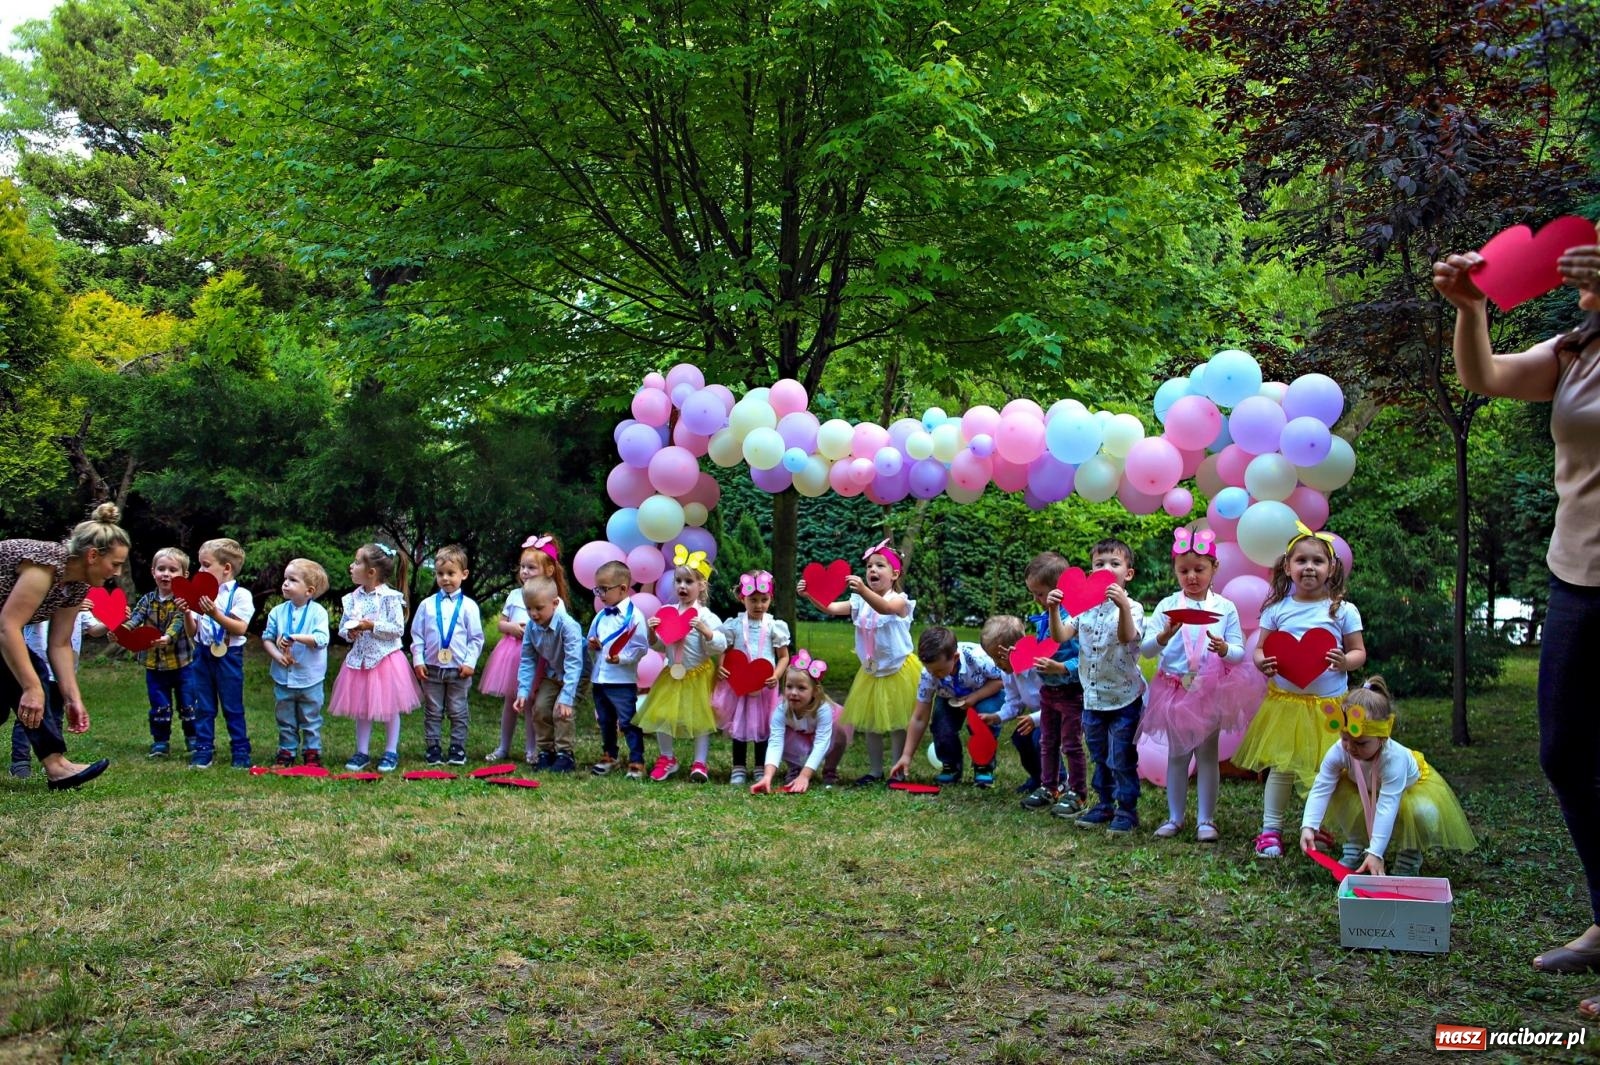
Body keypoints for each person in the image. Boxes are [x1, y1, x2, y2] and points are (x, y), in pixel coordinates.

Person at [1436, 240, 1600, 1013]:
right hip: (1578, 578)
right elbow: (1488, 376)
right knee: (1565, 754)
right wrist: (1470, 310)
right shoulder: (1576, 351)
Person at [1234, 524, 1366, 858]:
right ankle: (1270, 830)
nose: (1309, 567)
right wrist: (1262, 663)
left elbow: (1358, 652)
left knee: (1326, 770)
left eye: (1317, 561)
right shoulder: (1277, 609)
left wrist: (1345, 661)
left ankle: (1316, 827)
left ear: (1331, 568)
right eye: (1301, 560)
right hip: (1286, 706)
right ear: (1288, 566)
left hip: (1328, 707)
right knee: (1281, 769)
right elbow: (1260, 649)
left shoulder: (1342, 610)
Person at [1139, 526, 1264, 843]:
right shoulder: (1167, 606)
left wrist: (1224, 649)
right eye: (1184, 571)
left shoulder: (1224, 607)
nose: (1192, 576)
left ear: (1214, 568)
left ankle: (1206, 820)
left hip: (1209, 691)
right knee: (1177, 754)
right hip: (1173, 690)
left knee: (1208, 755)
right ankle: (1175, 817)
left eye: (1199, 569)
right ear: (1175, 570)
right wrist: (1163, 636)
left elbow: (1238, 652)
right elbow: (1147, 650)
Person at [0, 503, 125, 789]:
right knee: (31, 677)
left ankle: (57, 766)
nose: (117, 573)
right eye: (115, 564)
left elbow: (59, 643)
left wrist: (72, 698)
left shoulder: (77, 584)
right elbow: (8, 627)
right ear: (92, 556)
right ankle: (56, 765)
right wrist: (31, 687)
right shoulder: (45, 566)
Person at [1299, 676, 1476, 876]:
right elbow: (1322, 786)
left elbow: (1387, 806)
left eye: (1361, 743)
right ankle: (1356, 845)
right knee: (1344, 798)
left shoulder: (1394, 759)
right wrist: (1309, 825)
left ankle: (1408, 857)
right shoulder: (1341, 750)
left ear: (1382, 738)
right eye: (1345, 738)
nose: (1350, 747)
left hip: (1406, 793)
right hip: (1363, 789)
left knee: (1423, 812)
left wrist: (1376, 853)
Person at [799, 537, 919, 785]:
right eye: (869, 566)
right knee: (872, 725)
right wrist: (810, 594)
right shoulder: (859, 602)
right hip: (871, 672)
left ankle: (898, 771)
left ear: (895, 574)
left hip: (898, 670)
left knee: (899, 724)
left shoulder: (900, 600)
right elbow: (830, 608)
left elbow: (885, 609)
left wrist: (864, 590)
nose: (872, 569)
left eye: (880, 565)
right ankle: (875, 771)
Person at [1048, 539, 1146, 833]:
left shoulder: (1133, 607)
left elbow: (1127, 636)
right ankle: (1104, 804)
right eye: (1099, 564)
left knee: (1121, 757)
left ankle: (1126, 810)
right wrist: (1054, 609)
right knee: (1099, 756)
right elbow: (1060, 636)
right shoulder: (1083, 607)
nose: (1106, 568)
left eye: (1114, 564)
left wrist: (1122, 605)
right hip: (1092, 699)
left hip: (1124, 699)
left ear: (1128, 574)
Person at [636, 546, 725, 782]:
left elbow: (720, 645)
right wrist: (652, 632)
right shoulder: (667, 612)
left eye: (689, 581)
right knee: (662, 715)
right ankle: (667, 758)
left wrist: (706, 632)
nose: (682, 586)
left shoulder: (706, 616)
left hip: (698, 674)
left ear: (701, 585)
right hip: (671, 674)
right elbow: (659, 645)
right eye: (678, 581)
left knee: (700, 718)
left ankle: (700, 763)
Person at [330, 543, 421, 772]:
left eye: (356, 562)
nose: (351, 567)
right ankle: (362, 751)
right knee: (362, 707)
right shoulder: (352, 598)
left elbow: (397, 629)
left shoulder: (390, 598)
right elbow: (343, 628)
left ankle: (390, 751)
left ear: (371, 572)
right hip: (360, 661)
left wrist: (371, 625)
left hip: (386, 661)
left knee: (390, 708)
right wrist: (350, 633)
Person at [892, 626, 1004, 786]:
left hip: (986, 690)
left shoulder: (980, 659)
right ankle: (950, 766)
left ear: (955, 658)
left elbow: (1000, 680)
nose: (935, 675)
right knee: (941, 725)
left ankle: (983, 766)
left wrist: (975, 697)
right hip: (949, 695)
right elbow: (919, 717)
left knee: (984, 720)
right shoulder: (928, 675)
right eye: (930, 670)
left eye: (939, 670)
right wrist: (906, 756)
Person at [1019, 552, 1086, 817]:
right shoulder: (1046, 616)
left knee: (1071, 744)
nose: (1036, 599)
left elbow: (1086, 657)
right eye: (1033, 594)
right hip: (1049, 691)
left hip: (1071, 692)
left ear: (1059, 591)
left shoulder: (1075, 619)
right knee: (1047, 741)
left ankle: (1077, 792)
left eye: (1039, 593)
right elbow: (1043, 649)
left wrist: (1060, 667)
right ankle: (1050, 786)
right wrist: (1022, 655)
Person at [712, 570, 791, 786]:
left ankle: (759, 767)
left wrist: (776, 675)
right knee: (739, 724)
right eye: (753, 600)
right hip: (740, 685)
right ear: (742, 598)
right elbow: (725, 649)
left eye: (764, 600)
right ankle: (738, 767)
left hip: (765, 687)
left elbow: (784, 656)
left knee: (763, 726)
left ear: (771, 599)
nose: (759, 605)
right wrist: (721, 666)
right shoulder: (735, 625)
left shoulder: (775, 626)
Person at [10, 607, 106, 778]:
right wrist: (59, 605)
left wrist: (114, 621)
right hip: (31, 669)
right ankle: (20, 761)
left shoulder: (78, 604)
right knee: (27, 716)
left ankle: (54, 760)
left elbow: (93, 630)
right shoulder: (38, 599)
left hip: (60, 672)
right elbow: (16, 621)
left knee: (55, 716)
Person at [411, 544, 484, 767]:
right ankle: (433, 747)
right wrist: (418, 660)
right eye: (440, 573)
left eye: (451, 573)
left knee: (458, 710)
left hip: (458, 670)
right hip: (432, 668)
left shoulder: (469, 607)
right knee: (433, 710)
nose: (445, 578)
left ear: (464, 574)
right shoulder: (426, 605)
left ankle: (457, 748)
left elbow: (476, 638)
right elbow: (417, 635)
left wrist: (470, 663)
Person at [124, 547, 199, 758]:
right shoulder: (147, 600)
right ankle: (160, 742)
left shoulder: (182, 602)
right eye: (161, 569)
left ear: (184, 575)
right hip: (154, 665)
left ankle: (193, 739)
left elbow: (178, 622)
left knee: (188, 704)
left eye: (172, 570)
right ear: (153, 572)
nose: (166, 574)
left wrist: (167, 637)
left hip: (183, 664)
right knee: (159, 706)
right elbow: (135, 618)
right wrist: (123, 631)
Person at [188, 537, 255, 769]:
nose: (200, 570)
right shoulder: (199, 594)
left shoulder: (240, 595)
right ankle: (203, 748)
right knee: (203, 705)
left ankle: (240, 749)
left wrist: (215, 614)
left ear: (226, 568)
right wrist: (186, 612)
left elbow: (240, 628)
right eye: (200, 564)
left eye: (206, 565)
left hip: (229, 655)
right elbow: (192, 631)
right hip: (202, 654)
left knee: (232, 704)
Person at [261, 558, 331, 767]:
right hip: (283, 677)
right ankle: (286, 750)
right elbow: (267, 638)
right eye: (285, 578)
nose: (285, 583)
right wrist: (277, 656)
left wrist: (295, 637)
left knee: (310, 717)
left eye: (292, 580)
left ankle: (312, 752)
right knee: (285, 717)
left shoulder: (318, 613)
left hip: (310, 678)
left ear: (309, 591)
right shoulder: (277, 612)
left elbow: (321, 640)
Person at [585, 560, 650, 778]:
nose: (600, 595)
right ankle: (609, 755)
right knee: (605, 720)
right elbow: (592, 638)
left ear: (622, 588)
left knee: (628, 721)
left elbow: (640, 648)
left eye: (604, 589)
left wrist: (620, 659)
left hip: (621, 680)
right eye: (597, 590)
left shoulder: (635, 616)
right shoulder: (601, 615)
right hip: (600, 679)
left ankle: (637, 760)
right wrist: (593, 644)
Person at [480, 539, 543, 762]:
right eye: (522, 566)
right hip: (512, 653)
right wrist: (513, 628)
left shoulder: (549, 597)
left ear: (547, 570)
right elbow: (501, 624)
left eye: (531, 567)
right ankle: (503, 746)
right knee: (511, 701)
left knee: (531, 703)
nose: (524, 571)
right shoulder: (515, 595)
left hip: (536, 655)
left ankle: (532, 749)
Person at [515, 575, 585, 772]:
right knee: (540, 708)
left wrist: (567, 696)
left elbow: (574, 663)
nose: (533, 614)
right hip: (553, 673)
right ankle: (546, 751)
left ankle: (565, 754)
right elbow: (528, 659)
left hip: (577, 673)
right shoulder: (531, 627)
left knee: (561, 710)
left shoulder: (568, 626)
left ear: (554, 604)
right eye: (528, 608)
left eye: (539, 608)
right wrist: (523, 691)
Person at [750, 650, 846, 794]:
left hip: (820, 736)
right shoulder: (782, 709)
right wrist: (767, 776)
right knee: (784, 737)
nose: (794, 692)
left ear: (815, 691)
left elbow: (822, 743)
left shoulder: (823, 709)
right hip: (796, 736)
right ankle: (794, 768)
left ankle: (829, 770)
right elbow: (775, 742)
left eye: (801, 688)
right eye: (789, 686)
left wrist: (805, 776)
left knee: (839, 734)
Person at [977, 615, 1051, 796]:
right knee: (1020, 738)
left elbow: (1056, 704)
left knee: (1041, 739)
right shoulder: (1008, 672)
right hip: (1037, 717)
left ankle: (1056, 781)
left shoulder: (1039, 668)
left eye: (999, 658)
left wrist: (1034, 719)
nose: (996, 664)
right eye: (993, 658)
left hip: (1058, 714)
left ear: (1016, 650)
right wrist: (997, 716)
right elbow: (1014, 702)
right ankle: (1037, 778)